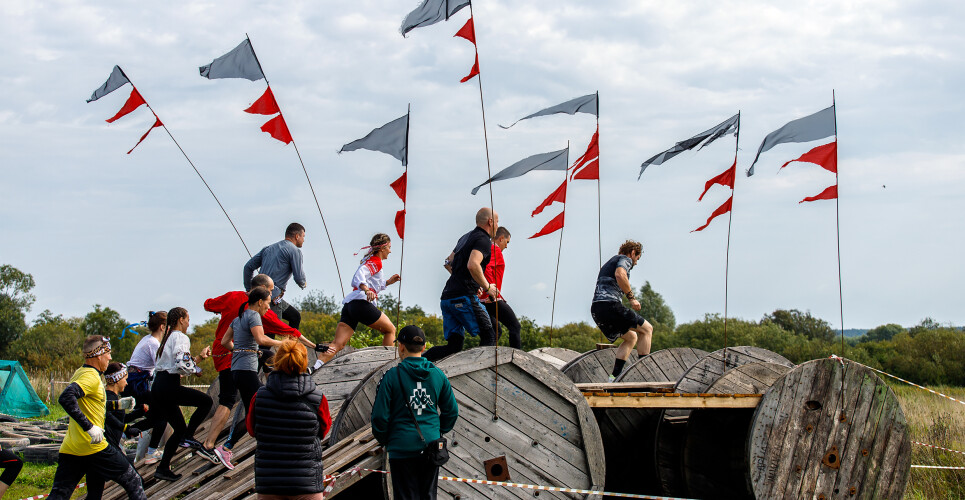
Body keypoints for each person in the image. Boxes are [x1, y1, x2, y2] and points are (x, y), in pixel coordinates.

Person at [202, 274, 322, 469]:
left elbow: (223, 338)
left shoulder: (238, 314)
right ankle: (222, 446)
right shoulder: (255, 315)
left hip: (233, 366)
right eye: (268, 299)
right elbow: (263, 338)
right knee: (259, 403)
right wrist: (284, 343)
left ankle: (232, 445)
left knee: (253, 409)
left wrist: (241, 350)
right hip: (245, 369)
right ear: (260, 300)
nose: (269, 304)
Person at [48, 336, 146, 500]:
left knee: (59, 496)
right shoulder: (91, 377)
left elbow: (91, 404)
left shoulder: (81, 372)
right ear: (99, 355)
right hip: (94, 447)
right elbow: (66, 397)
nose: (110, 357)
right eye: (108, 353)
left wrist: (117, 405)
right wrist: (89, 427)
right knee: (134, 482)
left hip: (72, 447)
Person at [372, 326, 458, 500]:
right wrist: (437, 430)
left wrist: (386, 439)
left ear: (401, 346)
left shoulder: (392, 376)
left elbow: (380, 417)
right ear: (424, 347)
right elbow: (451, 411)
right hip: (431, 446)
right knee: (428, 496)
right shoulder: (438, 375)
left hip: (401, 447)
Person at [246, 338, 331, 499]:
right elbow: (324, 430)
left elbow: (251, 429)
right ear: (303, 362)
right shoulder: (317, 398)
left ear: (277, 361)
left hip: (269, 483)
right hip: (307, 484)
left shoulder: (259, 397)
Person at [424, 208, 499, 362]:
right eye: (497, 222)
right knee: (492, 334)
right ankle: (482, 377)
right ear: (490, 222)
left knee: (454, 346)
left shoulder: (465, 237)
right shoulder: (483, 239)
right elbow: (473, 265)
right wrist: (487, 287)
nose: (498, 226)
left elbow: (448, 262)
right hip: (462, 298)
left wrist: (469, 281)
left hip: (447, 298)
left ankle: (416, 362)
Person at [151, 307, 217, 481]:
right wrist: (195, 369)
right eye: (188, 319)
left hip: (159, 386)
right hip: (168, 385)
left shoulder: (167, 338)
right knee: (206, 402)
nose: (189, 323)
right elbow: (182, 363)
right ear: (181, 319)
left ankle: (163, 467)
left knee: (178, 428)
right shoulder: (181, 337)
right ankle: (189, 436)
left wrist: (196, 364)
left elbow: (177, 364)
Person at [318, 233, 401, 364]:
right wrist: (367, 289)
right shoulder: (376, 261)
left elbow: (374, 284)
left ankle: (315, 367)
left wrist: (388, 282)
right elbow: (359, 275)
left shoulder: (371, 260)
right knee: (390, 330)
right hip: (361, 303)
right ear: (382, 248)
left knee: (338, 344)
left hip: (350, 305)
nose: (390, 251)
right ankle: (386, 365)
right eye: (389, 247)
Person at [591, 240, 654, 381]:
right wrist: (631, 298)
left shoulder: (610, 262)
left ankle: (614, 377)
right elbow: (620, 274)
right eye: (637, 258)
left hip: (597, 309)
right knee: (647, 329)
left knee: (631, 337)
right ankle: (643, 374)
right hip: (610, 305)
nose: (636, 263)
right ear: (632, 253)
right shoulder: (624, 259)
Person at [86, 363, 141, 499]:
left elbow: (120, 420)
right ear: (117, 379)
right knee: (137, 482)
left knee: (94, 494)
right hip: (108, 448)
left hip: (100, 450)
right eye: (125, 379)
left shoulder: (113, 398)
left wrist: (140, 412)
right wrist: (126, 428)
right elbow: (107, 417)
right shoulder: (108, 399)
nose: (127, 383)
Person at [243, 222, 308, 330]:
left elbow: (248, 267)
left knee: (294, 316)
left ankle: (290, 345)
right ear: (297, 236)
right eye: (303, 237)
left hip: (261, 296)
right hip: (272, 298)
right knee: (271, 330)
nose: (304, 240)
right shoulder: (295, 251)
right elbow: (299, 278)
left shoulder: (268, 248)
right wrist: (304, 284)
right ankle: (289, 346)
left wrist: (250, 290)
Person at [123, 310, 168, 464]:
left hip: (135, 381)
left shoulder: (147, 339)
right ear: (162, 327)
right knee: (162, 415)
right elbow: (161, 367)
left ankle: (124, 434)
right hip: (138, 383)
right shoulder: (154, 343)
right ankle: (151, 452)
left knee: (153, 416)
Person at [479, 227, 522, 349]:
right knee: (515, 326)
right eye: (507, 242)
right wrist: (489, 293)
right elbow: (486, 270)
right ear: (501, 238)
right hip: (490, 298)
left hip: (484, 298)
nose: (507, 246)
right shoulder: (494, 248)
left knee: (494, 332)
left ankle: (483, 357)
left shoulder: (486, 248)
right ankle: (517, 358)